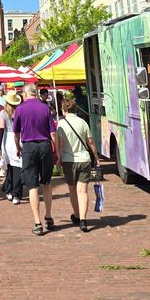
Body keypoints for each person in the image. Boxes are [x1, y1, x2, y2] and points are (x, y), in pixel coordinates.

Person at [14, 83, 57, 236]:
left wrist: (18, 147)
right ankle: (49, 216)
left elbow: (16, 133)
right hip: (45, 146)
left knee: (32, 186)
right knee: (46, 183)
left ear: (26, 94)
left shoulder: (20, 108)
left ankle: (38, 222)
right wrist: (55, 150)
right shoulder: (45, 108)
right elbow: (53, 133)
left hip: (29, 147)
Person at [56, 95, 100, 232]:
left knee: (73, 190)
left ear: (64, 110)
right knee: (83, 191)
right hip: (84, 160)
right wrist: (96, 157)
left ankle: (76, 215)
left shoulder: (61, 124)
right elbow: (91, 142)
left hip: (69, 160)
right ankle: (83, 220)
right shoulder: (83, 123)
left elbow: (59, 144)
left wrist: (58, 158)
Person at [0, 91, 24, 204]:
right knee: (18, 167)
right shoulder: (20, 112)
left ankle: (9, 190)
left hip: (7, 139)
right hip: (18, 137)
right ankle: (16, 193)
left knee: (9, 166)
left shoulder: (3, 113)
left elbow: (1, 129)